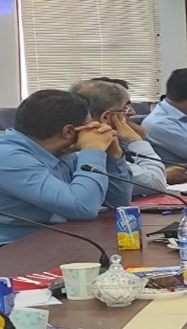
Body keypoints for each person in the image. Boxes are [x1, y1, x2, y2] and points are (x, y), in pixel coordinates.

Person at [0, 91, 127, 244]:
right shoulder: (8, 158)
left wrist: (113, 155)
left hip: (56, 241)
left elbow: (117, 204)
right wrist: (93, 150)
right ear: (68, 131)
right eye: (88, 126)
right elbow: (83, 207)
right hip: (13, 249)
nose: (95, 130)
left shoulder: (61, 152)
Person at [69, 79, 169, 197]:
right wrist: (135, 141)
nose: (132, 112)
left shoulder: (68, 142)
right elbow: (156, 183)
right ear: (106, 117)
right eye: (125, 108)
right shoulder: (90, 149)